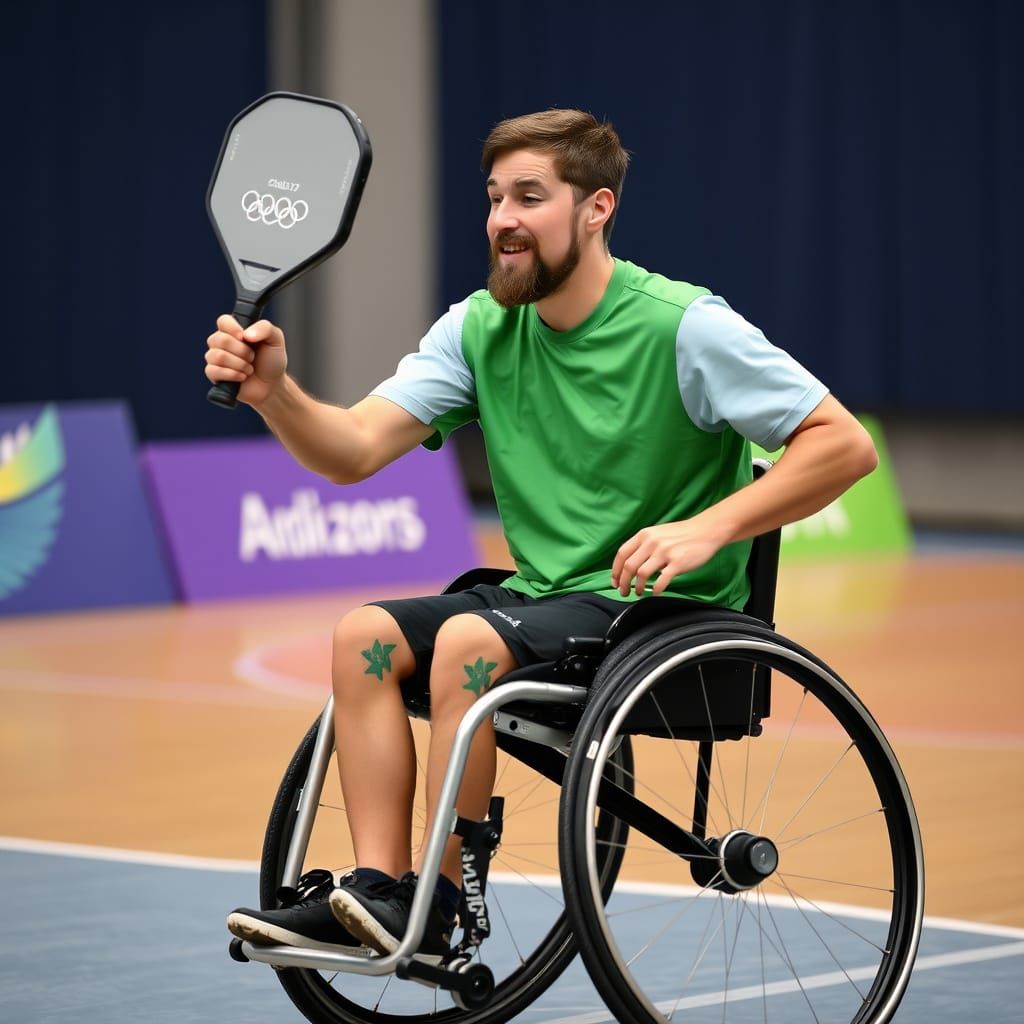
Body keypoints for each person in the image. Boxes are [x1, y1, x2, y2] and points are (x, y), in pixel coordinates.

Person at [216, 109, 878, 959]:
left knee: (467, 645)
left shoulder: (685, 326)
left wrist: (706, 530)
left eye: (529, 196)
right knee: (363, 637)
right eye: (495, 198)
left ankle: (442, 904)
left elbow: (843, 445)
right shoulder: (479, 329)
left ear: (596, 208)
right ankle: (378, 893)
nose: (503, 218)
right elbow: (351, 451)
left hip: (663, 609)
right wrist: (275, 394)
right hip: (545, 600)